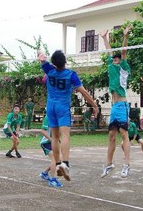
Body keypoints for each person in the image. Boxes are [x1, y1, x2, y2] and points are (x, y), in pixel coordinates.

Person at [38, 50, 98, 182]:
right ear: (65, 61)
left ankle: (58, 163)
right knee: (65, 135)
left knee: (54, 136)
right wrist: (94, 105)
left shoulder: (49, 70)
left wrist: (42, 58)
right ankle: (65, 163)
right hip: (62, 107)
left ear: (54, 63)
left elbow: (43, 60)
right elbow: (83, 92)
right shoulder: (71, 75)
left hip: (51, 106)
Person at [100, 25, 132, 178]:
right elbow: (109, 52)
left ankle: (126, 164)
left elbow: (123, 52)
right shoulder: (111, 66)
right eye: (114, 59)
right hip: (114, 107)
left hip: (122, 105)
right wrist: (104, 38)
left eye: (118, 59)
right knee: (111, 135)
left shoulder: (123, 68)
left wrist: (125, 36)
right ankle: (109, 164)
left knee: (124, 134)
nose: (116, 60)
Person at [38, 113, 63, 188]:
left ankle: (45, 173)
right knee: (55, 158)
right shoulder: (48, 117)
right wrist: (51, 140)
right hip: (45, 142)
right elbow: (42, 131)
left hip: (53, 141)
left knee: (58, 159)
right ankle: (53, 180)